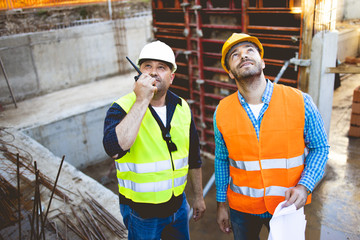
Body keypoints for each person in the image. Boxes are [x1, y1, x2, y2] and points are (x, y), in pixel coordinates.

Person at [213, 33, 329, 239]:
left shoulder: (300, 101)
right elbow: (222, 159)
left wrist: (304, 187)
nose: (243, 56)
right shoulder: (222, 111)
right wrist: (221, 204)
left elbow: (320, 147)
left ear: (262, 62)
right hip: (242, 209)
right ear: (230, 73)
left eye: (250, 50)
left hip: (287, 205)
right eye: (235, 55)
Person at [103, 40, 206, 240]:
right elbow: (114, 148)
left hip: (178, 207)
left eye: (161, 67)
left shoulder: (182, 107)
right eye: (147, 66)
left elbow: (194, 156)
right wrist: (142, 99)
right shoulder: (122, 107)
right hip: (141, 213)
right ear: (139, 73)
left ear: (172, 76)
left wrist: (199, 196)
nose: (153, 72)